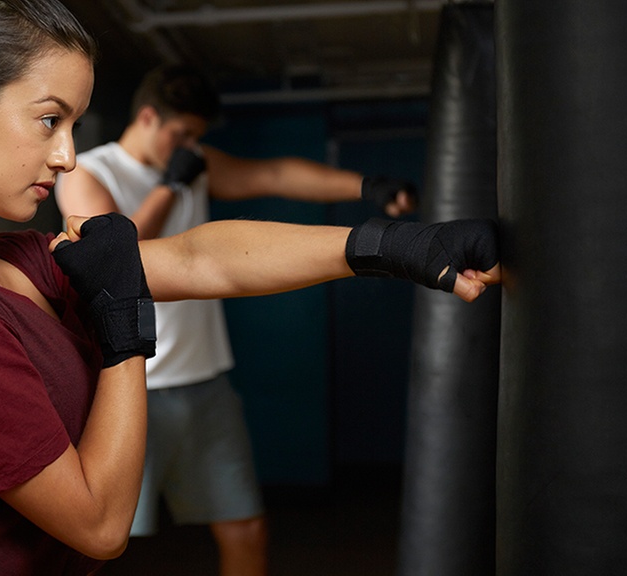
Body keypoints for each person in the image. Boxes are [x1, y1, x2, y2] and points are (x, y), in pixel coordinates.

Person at [0, 1, 500, 574]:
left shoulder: (6, 263)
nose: (67, 155)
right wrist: (123, 335)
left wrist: (396, 246)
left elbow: (205, 260)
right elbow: (99, 523)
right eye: (50, 119)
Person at [55, 64, 418, 576]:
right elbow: (120, 259)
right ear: (148, 116)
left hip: (206, 387)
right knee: (99, 547)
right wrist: (170, 185)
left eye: (196, 138)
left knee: (245, 529)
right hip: (127, 388)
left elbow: (274, 174)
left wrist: (367, 186)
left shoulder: (193, 162)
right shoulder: (89, 172)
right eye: (181, 134)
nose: (189, 146)